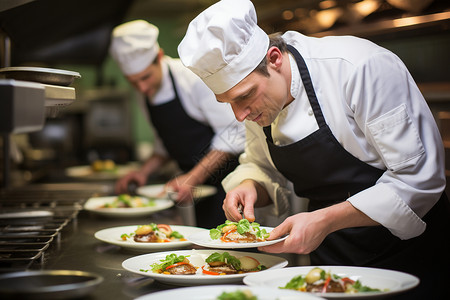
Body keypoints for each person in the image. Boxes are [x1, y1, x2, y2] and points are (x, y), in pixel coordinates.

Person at [177, 0, 450, 298]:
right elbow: (262, 165)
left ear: (274, 58)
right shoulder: (260, 104)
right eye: (228, 103)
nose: (239, 115)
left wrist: (324, 220)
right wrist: (251, 184)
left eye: (244, 97)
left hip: (408, 258)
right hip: (329, 263)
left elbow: (418, 179)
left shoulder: (359, 67)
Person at [109, 20, 245, 228]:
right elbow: (166, 141)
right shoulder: (143, 93)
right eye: (133, 81)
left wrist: (192, 177)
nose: (142, 87)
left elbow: (233, 133)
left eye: (145, 77)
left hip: (230, 183)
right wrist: (143, 172)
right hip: (191, 189)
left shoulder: (193, 78)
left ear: (160, 57)